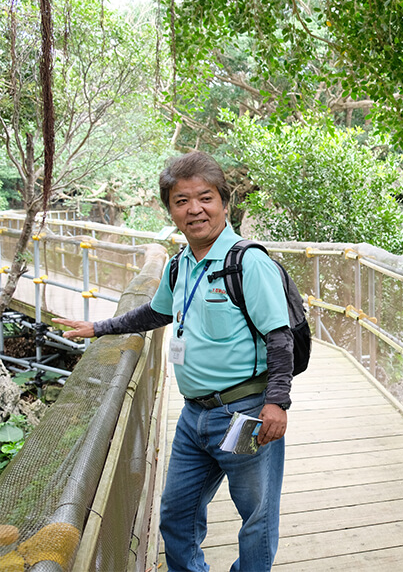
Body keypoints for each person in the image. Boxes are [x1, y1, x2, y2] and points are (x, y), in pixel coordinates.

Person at [54, 151, 295, 572]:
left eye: (205, 198)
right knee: (176, 516)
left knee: (255, 518)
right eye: (181, 201)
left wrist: (277, 402)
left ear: (223, 202)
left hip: (243, 414)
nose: (195, 209)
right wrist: (99, 328)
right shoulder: (180, 264)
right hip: (193, 418)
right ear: (170, 210)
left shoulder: (247, 262)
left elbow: (279, 336)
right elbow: (156, 313)